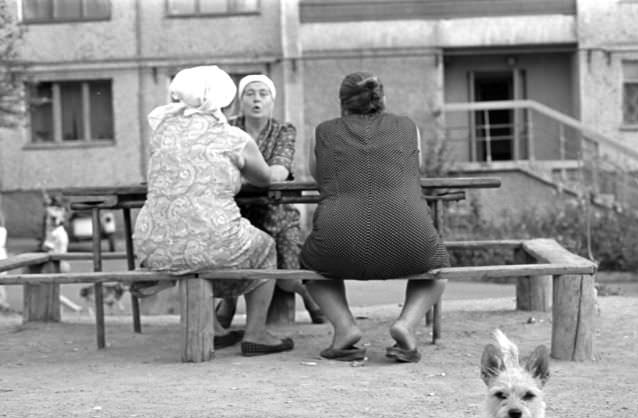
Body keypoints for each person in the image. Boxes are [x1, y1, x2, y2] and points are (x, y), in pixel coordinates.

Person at [132, 65, 293, 356]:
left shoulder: (162, 131)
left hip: (153, 243)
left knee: (187, 241)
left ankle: (215, 329)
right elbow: (265, 177)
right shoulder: (234, 137)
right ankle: (256, 333)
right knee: (264, 246)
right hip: (212, 240)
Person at [300, 72, 449, 363]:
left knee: (310, 267)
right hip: (408, 236)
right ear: (382, 98)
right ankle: (406, 325)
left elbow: (319, 175)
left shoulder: (323, 132)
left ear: (342, 102)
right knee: (437, 268)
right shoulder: (408, 127)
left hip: (338, 238)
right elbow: (413, 168)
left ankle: (345, 329)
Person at [214, 74, 324, 328]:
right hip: (235, 213)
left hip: (276, 213)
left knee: (287, 275)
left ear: (272, 101)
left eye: (263, 94)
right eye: (250, 93)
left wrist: (240, 177)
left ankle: (306, 293)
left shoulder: (284, 131)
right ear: (240, 100)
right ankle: (229, 302)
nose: (256, 99)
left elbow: (278, 172)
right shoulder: (226, 130)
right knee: (225, 259)